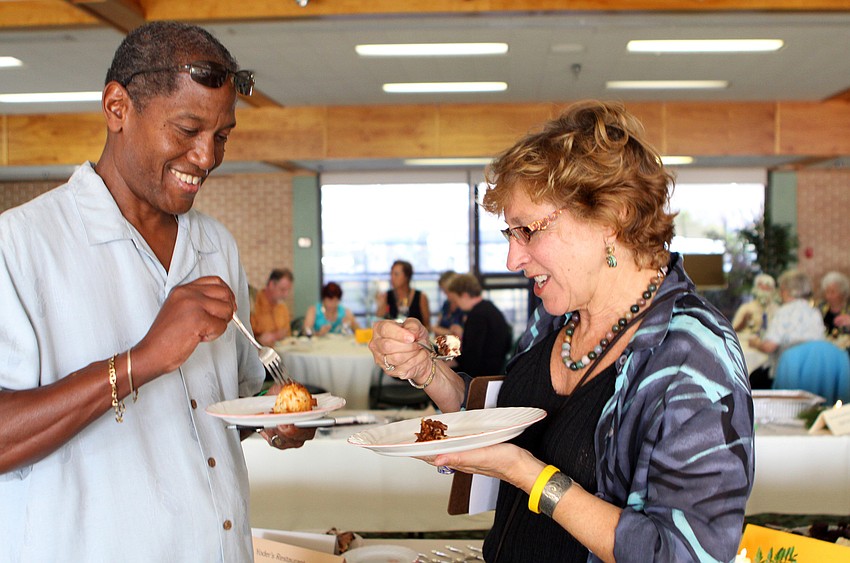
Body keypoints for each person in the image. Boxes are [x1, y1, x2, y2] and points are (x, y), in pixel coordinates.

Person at [369, 101, 754, 562]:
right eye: (508, 234)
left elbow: (687, 554)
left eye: (527, 230)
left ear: (612, 218)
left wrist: (530, 476)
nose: (513, 260)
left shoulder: (692, 355)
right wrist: (430, 371)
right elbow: (506, 419)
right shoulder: (558, 316)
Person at [0, 22, 314, 562]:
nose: (206, 157)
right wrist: (141, 360)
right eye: (187, 129)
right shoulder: (20, 246)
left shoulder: (215, 244)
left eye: (221, 136)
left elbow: (219, 413)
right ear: (117, 108)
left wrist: (272, 419)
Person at [750, 269, 826, 384]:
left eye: (781, 289)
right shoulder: (815, 312)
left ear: (788, 291)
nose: (780, 293)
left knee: (752, 379)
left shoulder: (784, 312)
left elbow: (769, 347)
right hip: (813, 374)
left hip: (787, 373)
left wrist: (755, 343)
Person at [445, 273, 513, 376]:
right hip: (496, 367)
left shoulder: (477, 316)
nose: (456, 304)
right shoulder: (489, 307)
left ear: (464, 295)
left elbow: (471, 359)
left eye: (455, 300)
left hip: (482, 375)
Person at [375, 259, 432, 332]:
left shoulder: (421, 297)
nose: (392, 278)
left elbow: (427, 326)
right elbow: (379, 322)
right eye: (391, 274)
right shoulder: (386, 296)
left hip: (415, 339)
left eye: (396, 274)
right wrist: (381, 304)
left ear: (406, 277)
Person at [251, 267, 294, 345]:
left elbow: (287, 335)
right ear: (271, 284)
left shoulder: (282, 308)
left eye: (288, 290)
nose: (286, 295)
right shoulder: (254, 303)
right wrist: (271, 337)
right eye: (282, 290)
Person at [434, 270, 466, 337]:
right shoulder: (446, 304)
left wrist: (444, 332)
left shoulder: (464, 307)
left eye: (447, 291)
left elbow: (463, 334)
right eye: (444, 291)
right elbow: (436, 327)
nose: (446, 294)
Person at [818, 271, 850, 337]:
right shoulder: (820, 307)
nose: (829, 296)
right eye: (827, 292)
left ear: (843, 293)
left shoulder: (848, 309)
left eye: (833, 292)